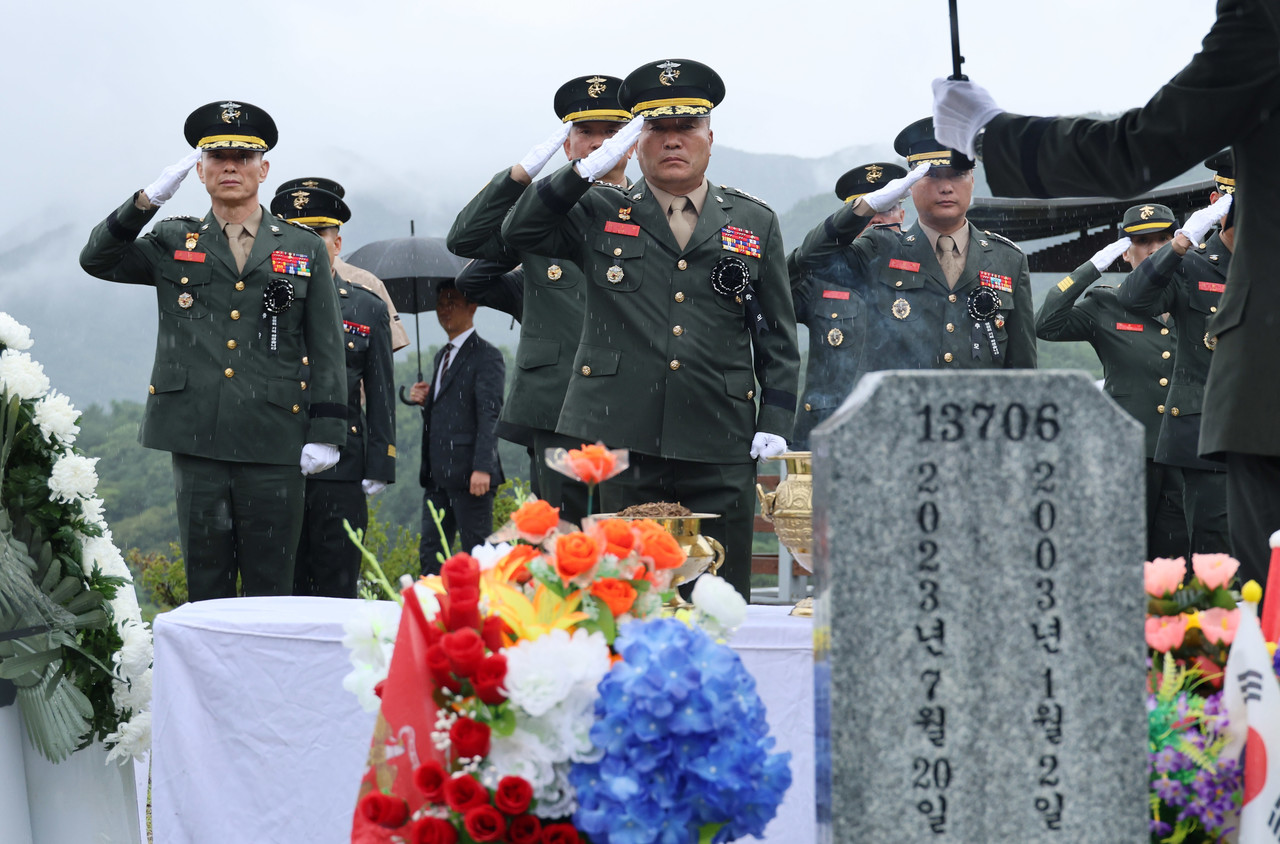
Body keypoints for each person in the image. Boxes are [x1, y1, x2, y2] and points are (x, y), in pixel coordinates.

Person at [932, 2, 1280, 583]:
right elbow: (1118, 303)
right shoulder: (1168, 271)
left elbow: (1140, 148)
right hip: (1178, 440)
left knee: (1265, 618)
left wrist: (986, 128)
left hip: (1266, 391)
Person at [501, 59, 801, 599]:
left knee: (719, 596)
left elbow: (777, 334)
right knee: (624, 598)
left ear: (710, 137)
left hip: (720, 434)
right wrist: (582, 171)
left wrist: (776, 415)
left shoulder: (754, 221)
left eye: (686, 127)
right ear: (636, 142)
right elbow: (518, 228)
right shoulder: (598, 208)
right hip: (621, 437)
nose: (672, 141)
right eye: (655, 129)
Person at [79, 100, 347, 600]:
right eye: (217, 156)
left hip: (275, 439)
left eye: (243, 157)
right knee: (207, 589)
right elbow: (97, 259)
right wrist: (145, 201)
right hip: (195, 438)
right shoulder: (172, 238)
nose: (230, 166)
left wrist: (328, 431)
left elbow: (326, 345)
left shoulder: (302, 246)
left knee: (271, 591)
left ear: (263, 169)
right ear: (200, 170)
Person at [448, 74, 632, 523]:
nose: (597, 144)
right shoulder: (539, 220)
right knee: (560, 543)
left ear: (630, 142)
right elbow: (465, 240)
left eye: (611, 132)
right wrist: (521, 175)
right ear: (566, 145)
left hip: (630, 404)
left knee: (629, 543)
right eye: (584, 132)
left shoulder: (649, 207)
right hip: (557, 406)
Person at [791, 117, 1036, 398]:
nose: (946, 187)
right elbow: (811, 257)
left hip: (979, 430)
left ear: (972, 179)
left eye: (957, 174)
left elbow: (1023, 373)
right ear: (910, 184)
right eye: (932, 175)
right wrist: (865, 207)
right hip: (897, 431)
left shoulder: (1008, 260)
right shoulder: (881, 249)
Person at [1034, 203, 1186, 560]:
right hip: (1128, 455)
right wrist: (1091, 268)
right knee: (1122, 554)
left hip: (1185, 452)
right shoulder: (1107, 304)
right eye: (1142, 241)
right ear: (1126, 251)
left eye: (1163, 239)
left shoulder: (1196, 300)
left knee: (1179, 561)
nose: (1153, 249)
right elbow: (1046, 324)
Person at [270, 183, 397, 597]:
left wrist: (381, 462)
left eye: (318, 236)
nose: (307, 246)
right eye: (296, 235)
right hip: (273, 462)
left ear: (336, 242)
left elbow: (379, 391)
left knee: (337, 583)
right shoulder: (262, 299)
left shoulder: (367, 307)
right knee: (277, 586)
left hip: (343, 464)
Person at [1117, 169, 1235, 557]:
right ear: (1221, 205)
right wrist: (1179, 243)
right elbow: (1133, 299)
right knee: (1216, 568)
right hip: (1207, 443)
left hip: (1267, 437)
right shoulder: (1192, 264)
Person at [792, 162, 907, 449]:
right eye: (867, 211)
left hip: (899, 434)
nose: (877, 220)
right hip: (826, 434)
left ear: (902, 214)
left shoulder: (922, 269)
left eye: (886, 209)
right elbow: (777, 289)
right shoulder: (820, 276)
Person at [408, 282, 505, 575]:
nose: (444, 309)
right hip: (437, 475)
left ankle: (477, 615)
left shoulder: (487, 355)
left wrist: (483, 468)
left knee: (476, 554)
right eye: (440, 303)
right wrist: (426, 399)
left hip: (470, 476)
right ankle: (432, 615)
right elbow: (451, 409)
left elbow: (490, 415)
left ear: (472, 306)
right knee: (431, 554)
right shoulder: (441, 356)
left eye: (453, 301)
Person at [275, 177, 411, 353]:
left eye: (316, 233)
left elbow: (382, 354)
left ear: (337, 243)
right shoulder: (268, 283)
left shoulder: (367, 284)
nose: (308, 241)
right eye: (298, 231)